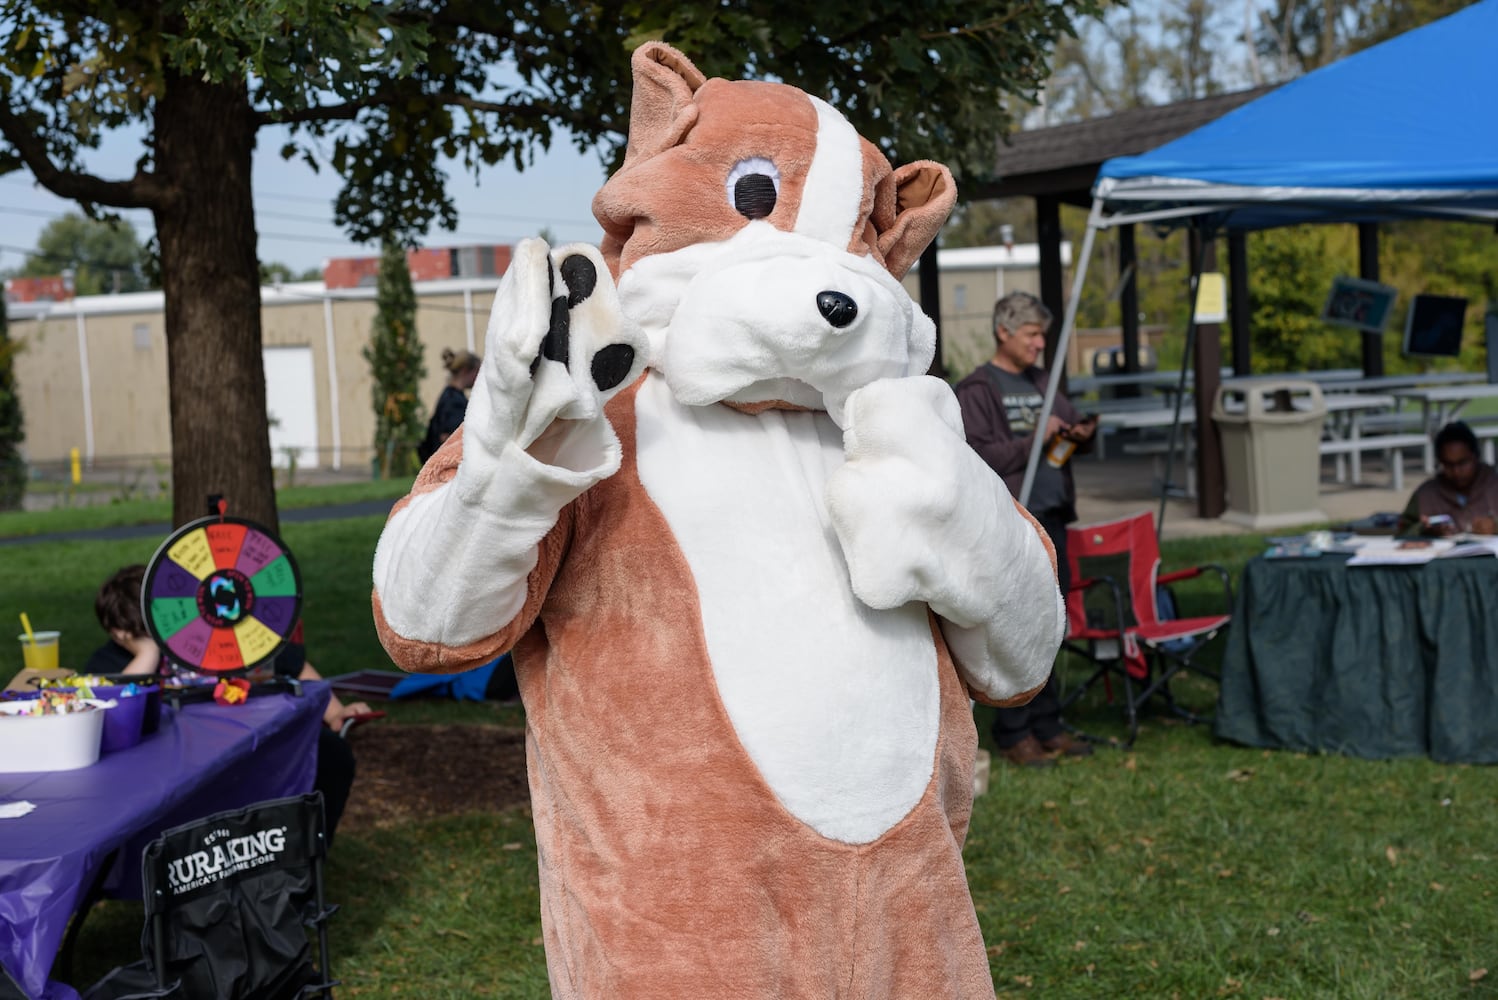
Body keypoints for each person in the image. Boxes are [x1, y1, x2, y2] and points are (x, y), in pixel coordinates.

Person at [82, 564, 368, 839]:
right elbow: (112, 706)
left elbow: (293, 666)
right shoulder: (112, 661)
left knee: (332, 752)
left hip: (245, 742)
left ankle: (307, 848)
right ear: (120, 634)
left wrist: (336, 713)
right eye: (152, 630)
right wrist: (147, 653)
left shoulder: (217, 633)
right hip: (169, 765)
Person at [955, 290, 1098, 768]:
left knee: (1051, 624)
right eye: (1032, 335)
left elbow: (1069, 423)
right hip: (1014, 524)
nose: (1040, 344)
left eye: (1042, 335)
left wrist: (1081, 434)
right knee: (1016, 629)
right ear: (1004, 332)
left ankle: (1048, 725)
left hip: (1052, 516)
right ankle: (1015, 732)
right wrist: (1033, 441)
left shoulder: (1042, 381)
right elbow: (978, 457)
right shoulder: (977, 390)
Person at [1396, 421, 1498, 537]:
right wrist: (1424, 530)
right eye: (1449, 465)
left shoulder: (1494, 485)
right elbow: (1401, 534)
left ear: (1476, 456)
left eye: (1462, 463)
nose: (1456, 471)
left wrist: (1495, 526)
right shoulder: (1425, 495)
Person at [418, 347, 482, 463]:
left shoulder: (450, 396)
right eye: (477, 371)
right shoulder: (453, 401)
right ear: (465, 370)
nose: (479, 377)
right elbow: (451, 438)